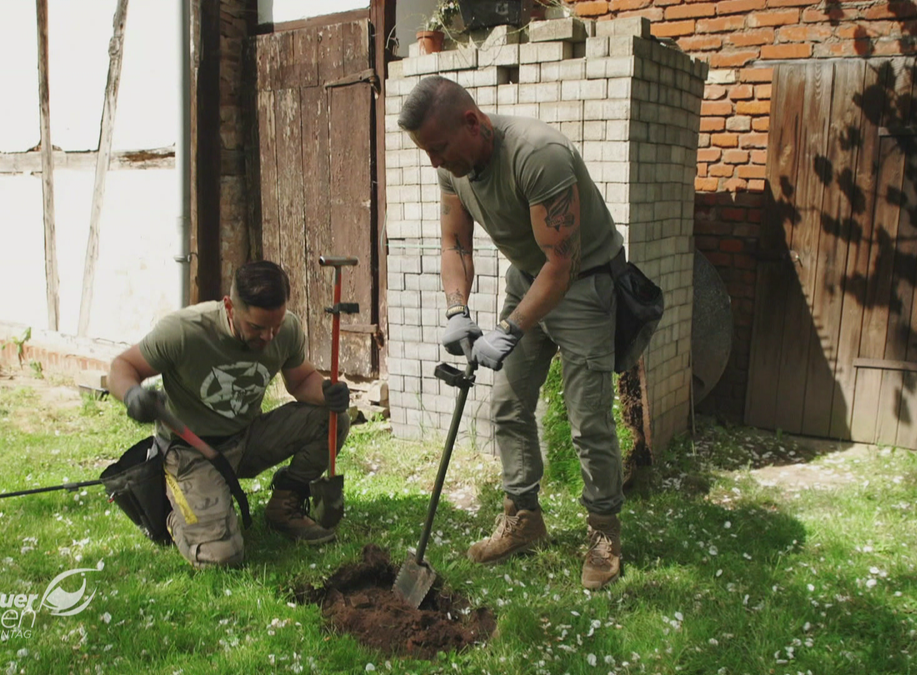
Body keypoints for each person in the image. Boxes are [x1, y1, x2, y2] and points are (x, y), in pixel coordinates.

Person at [398, 75, 627, 590]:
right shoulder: (453, 168)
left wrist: (507, 329)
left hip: (584, 282)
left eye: (438, 148)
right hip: (528, 278)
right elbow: (455, 243)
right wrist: (457, 310)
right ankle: (524, 519)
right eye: (426, 153)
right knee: (507, 405)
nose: (434, 162)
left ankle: (604, 533)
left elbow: (562, 266)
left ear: (472, 122)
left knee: (587, 418)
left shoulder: (537, 155)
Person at [107, 260, 350, 569]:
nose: (268, 337)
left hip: (247, 437)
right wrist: (132, 395)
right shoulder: (185, 331)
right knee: (220, 557)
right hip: (191, 449)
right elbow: (122, 367)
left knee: (331, 419)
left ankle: (283, 508)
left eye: (274, 327)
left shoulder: (286, 329)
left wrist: (326, 390)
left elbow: (301, 381)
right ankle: (176, 516)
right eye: (256, 328)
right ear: (229, 306)